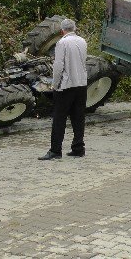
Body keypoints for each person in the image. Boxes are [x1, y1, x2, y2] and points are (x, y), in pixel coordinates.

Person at [38, 19, 88, 160]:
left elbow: (58, 66)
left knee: (59, 118)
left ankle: (55, 150)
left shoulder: (62, 43)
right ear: (75, 28)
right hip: (81, 84)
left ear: (62, 31)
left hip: (66, 85)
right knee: (78, 118)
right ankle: (78, 148)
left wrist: (54, 84)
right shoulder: (82, 41)